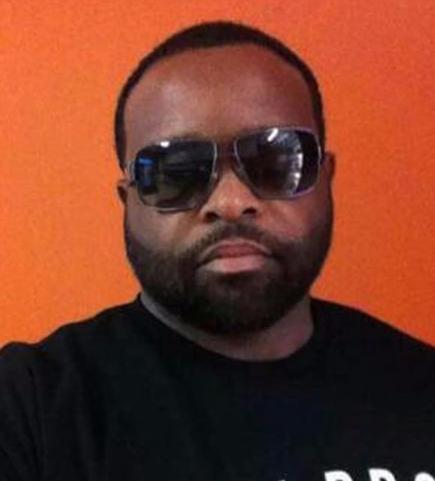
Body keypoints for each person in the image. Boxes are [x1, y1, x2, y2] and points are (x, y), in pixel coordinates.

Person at [0, 21, 434, 481]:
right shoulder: (28, 408)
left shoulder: (422, 387)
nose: (230, 202)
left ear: (324, 178)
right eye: (176, 171)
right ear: (129, 201)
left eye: (274, 160)